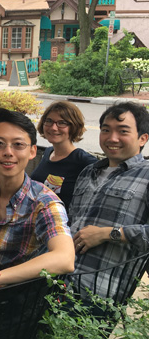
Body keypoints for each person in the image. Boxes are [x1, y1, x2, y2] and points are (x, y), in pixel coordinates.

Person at [0, 109, 75, 296]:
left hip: (10, 295)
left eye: (18, 145)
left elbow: (65, 258)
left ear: (32, 151)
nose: (8, 152)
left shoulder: (44, 202)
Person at [69, 102, 149, 301]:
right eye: (106, 130)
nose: (112, 138)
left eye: (123, 131)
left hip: (97, 296)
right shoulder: (88, 172)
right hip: (55, 283)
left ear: (142, 138)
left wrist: (108, 234)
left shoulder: (146, 174)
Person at [31, 101, 97, 209]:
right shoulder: (48, 153)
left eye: (62, 123)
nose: (53, 128)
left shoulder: (85, 162)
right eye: (49, 121)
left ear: (74, 126)